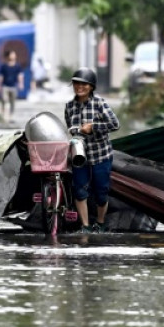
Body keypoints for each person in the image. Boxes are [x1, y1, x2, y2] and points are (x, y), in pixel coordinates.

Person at [64, 67, 120, 233]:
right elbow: (69, 127)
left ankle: (101, 223)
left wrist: (93, 127)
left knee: (101, 192)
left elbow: (115, 124)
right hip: (79, 156)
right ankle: (86, 226)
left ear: (91, 87)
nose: (79, 87)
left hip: (100, 155)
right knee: (79, 190)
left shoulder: (99, 103)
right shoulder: (69, 106)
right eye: (76, 83)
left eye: (84, 84)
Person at [0, 50, 24, 123]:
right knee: (4, 100)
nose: (13, 56)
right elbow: (1, 77)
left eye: (14, 54)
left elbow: (20, 75)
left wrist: (21, 84)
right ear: (8, 56)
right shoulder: (4, 66)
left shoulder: (17, 66)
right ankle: (3, 115)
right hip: (5, 86)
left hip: (13, 86)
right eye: (12, 54)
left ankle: (10, 116)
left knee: (12, 102)